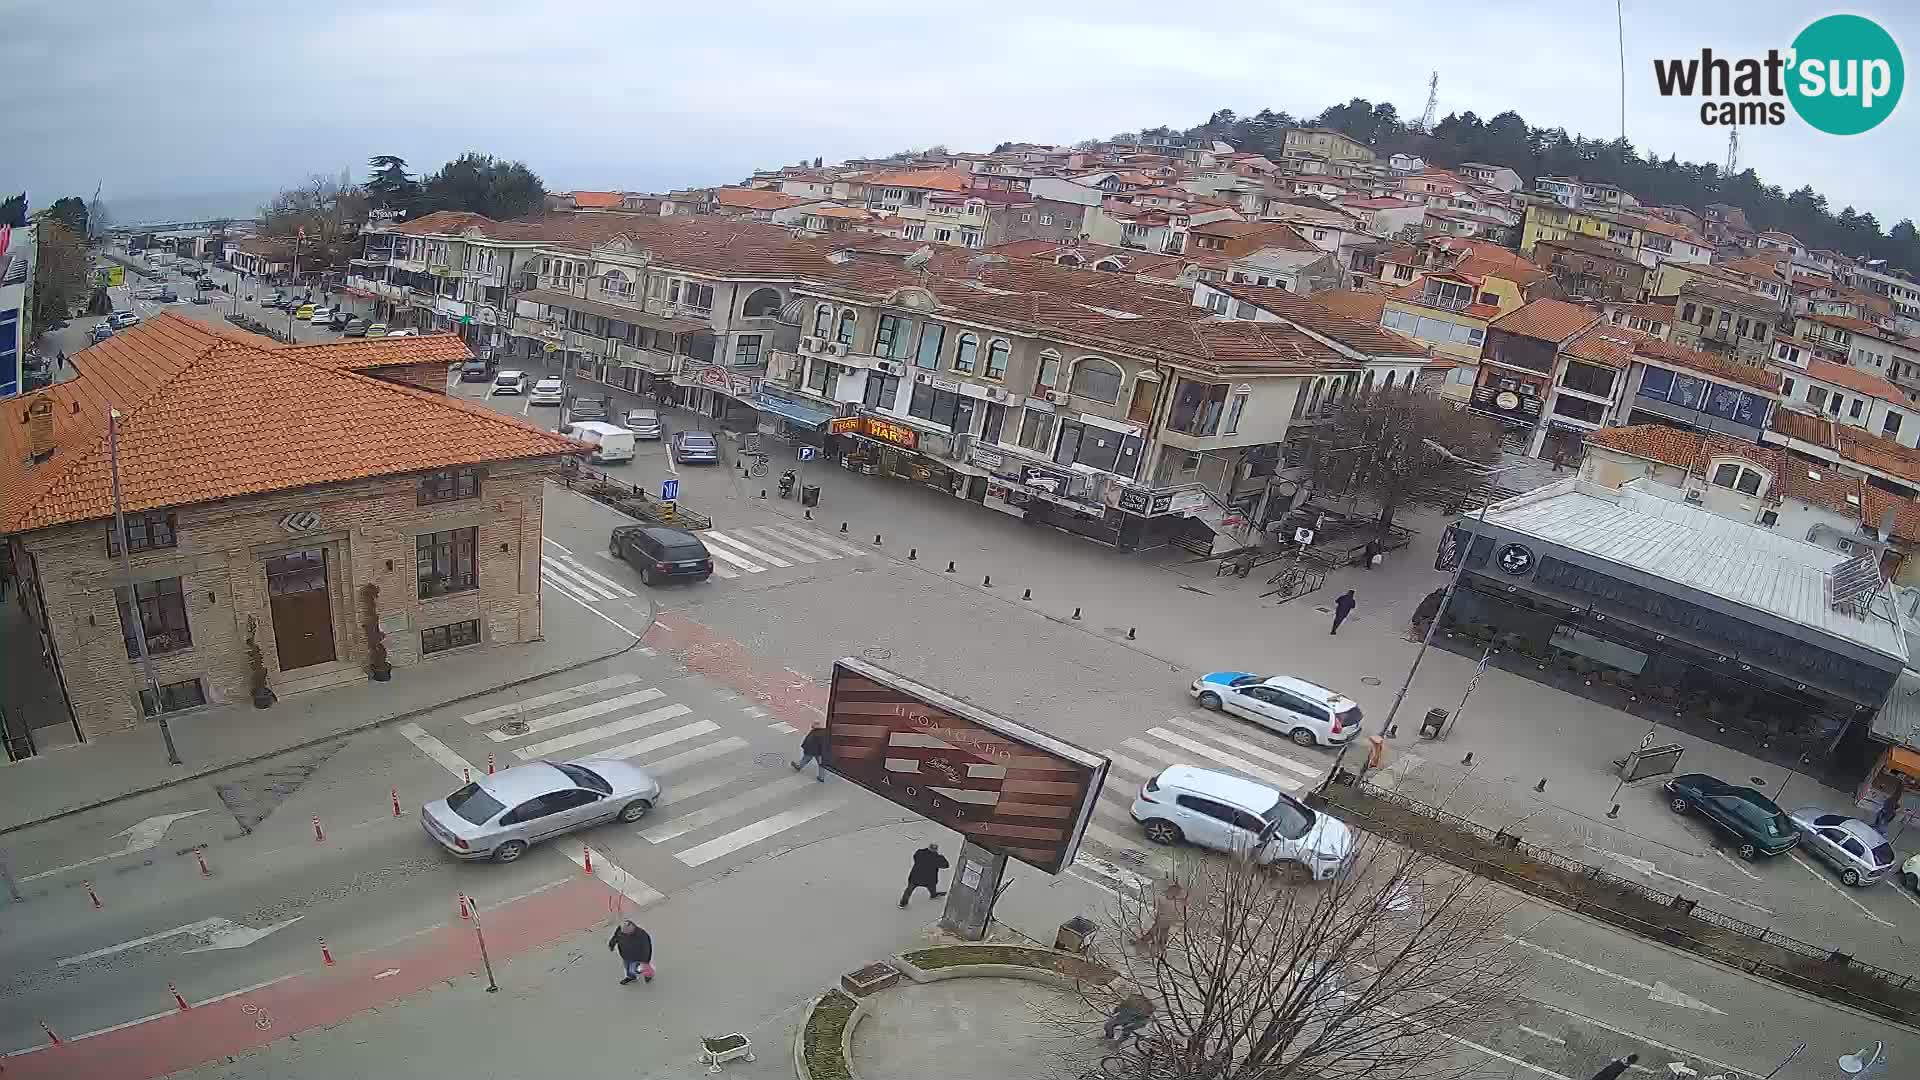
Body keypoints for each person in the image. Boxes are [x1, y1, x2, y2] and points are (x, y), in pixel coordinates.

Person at [1132, 880, 1186, 959]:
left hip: (1166, 923)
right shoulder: (1164, 899)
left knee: (1161, 940)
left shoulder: (1176, 902)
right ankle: (1141, 948)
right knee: (1152, 936)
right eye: (1174, 891)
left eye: (1176, 892)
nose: (1175, 893)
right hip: (1160, 922)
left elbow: (1177, 913)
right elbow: (1159, 909)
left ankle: (1154, 954)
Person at [899, 842, 948, 907]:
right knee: (932, 888)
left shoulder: (920, 852)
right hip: (929, 879)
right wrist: (941, 858)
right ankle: (933, 895)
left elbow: (915, 857)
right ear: (936, 850)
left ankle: (903, 903)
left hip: (915, 877)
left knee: (909, 890)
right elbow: (946, 865)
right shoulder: (938, 858)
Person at [608, 920, 654, 985]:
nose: (625, 935)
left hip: (638, 956)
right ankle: (631, 977)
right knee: (628, 967)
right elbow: (616, 937)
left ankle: (648, 975)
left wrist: (646, 960)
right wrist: (611, 944)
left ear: (632, 930)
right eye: (623, 933)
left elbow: (647, 948)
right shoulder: (620, 929)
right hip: (625, 954)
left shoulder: (642, 935)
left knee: (643, 967)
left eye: (627, 934)